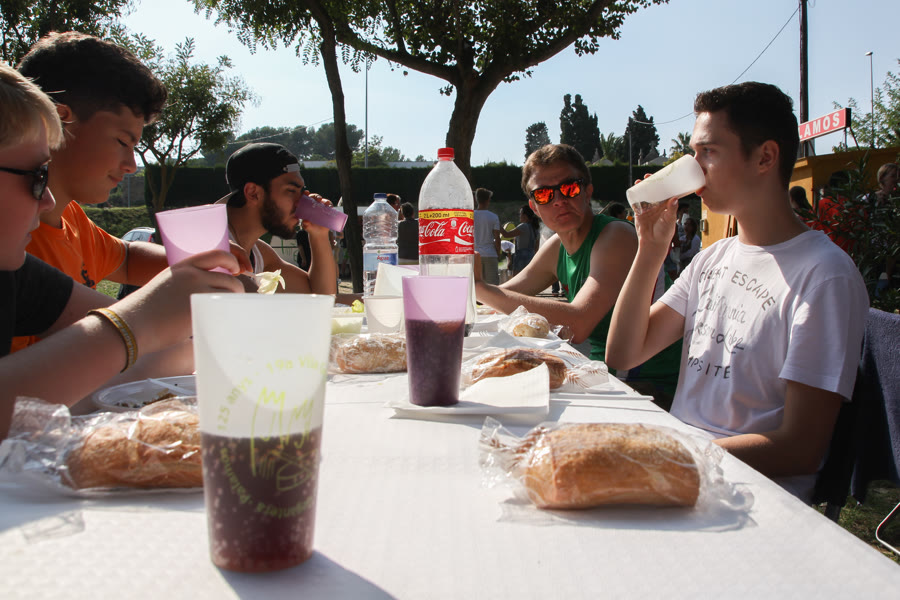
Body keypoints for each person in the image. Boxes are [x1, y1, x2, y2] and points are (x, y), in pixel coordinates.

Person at [606, 82, 868, 499]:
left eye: (708, 152)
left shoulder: (825, 276)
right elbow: (623, 354)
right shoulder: (712, 258)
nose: (693, 170)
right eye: (693, 154)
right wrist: (650, 249)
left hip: (749, 497)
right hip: (681, 473)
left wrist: (673, 457)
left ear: (765, 157)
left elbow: (800, 449)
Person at [0, 62, 245, 439]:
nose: (46, 199)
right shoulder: (21, 248)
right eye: (36, 177)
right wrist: (134, 325)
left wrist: (193, 279)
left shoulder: (18, 272)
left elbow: (127, 282)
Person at [474, 144, 681, 405]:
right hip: (602, 374)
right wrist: (467, 282)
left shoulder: (616, 235)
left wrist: (480, 288)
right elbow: (503, 296)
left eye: (569, 188)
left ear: (587, 191)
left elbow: (577, 325)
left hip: (651, 385)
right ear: (534, 207)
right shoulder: (557, 247)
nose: (559, 200)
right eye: (544, 194)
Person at [11, 32, 171, 352]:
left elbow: (126, 258)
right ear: (59, 121)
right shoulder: (13, 241)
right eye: (122, 142)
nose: (131, 165)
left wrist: (199, 262)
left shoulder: (70, 217)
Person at [218, 142, 337, 294]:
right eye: (291, 190)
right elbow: (255, 305)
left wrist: (318, 235)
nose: (302, 203)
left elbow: (321, 297)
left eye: (302, 192)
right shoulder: (212, 246)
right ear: (253, 193)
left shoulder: (258, 252)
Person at [473, 187, 502, 284]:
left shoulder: (470, 216)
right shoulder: (493, 217)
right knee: (492, 285)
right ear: (488, 200)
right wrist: (498, 253)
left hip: (475, 254)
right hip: (490, 254)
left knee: (477, 285)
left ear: (477, 199)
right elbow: (497, 238)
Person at [502, 204, 540, 276]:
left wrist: (497, 225)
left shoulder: (523, 226)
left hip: (521, 257)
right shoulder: (536, 229)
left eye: (520, 214)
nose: (519, 216)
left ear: (525, 216)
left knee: (517, 278)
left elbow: (506, 235)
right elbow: (536, 248)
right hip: (532, 257)